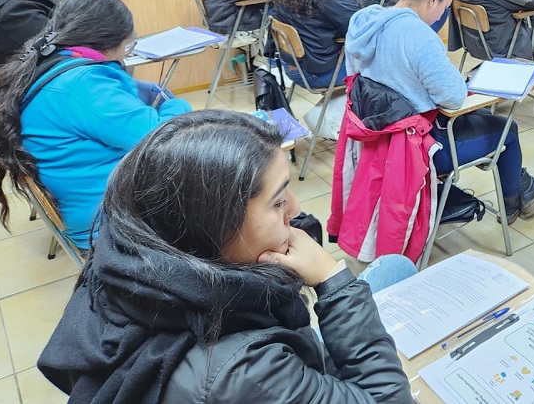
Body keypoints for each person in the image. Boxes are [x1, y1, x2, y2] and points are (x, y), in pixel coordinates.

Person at [37, 109, 416, 403]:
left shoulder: (128, 252)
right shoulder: (241, 373)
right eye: (279, 200)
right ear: (213, 229)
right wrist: (333, 280)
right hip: (241, 375)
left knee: (395, 267)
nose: (297, 212)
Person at [346, 0, 534, 222]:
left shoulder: (364, 21)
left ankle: (521, 189)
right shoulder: (418, 36)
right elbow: (454, 97)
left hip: (376, 139)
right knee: (506, 128)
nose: (442, 16)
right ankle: (515, 200)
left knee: (481, 117)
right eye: (445, 7)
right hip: (418, 148)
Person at [0, 0, 190, 250]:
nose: (126, 55)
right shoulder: (84, 85)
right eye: (128, 46)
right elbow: (164, 137)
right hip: (108, 222)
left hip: (91, 206)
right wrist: (175, 102)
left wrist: (127, 90)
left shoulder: (55, 61)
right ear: (108, 43)